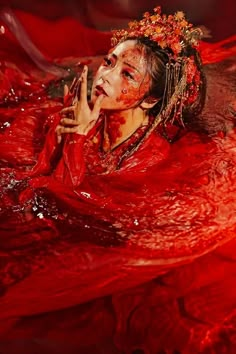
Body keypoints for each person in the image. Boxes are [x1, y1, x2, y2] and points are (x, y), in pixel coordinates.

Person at [0, 5, 236, 354]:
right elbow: (33, 188)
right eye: (109, 63)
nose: (105, 76)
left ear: (151, 98)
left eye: (126, 75)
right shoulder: (74, 113)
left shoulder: (148, 156)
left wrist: (76, 141)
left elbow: (75, 211)